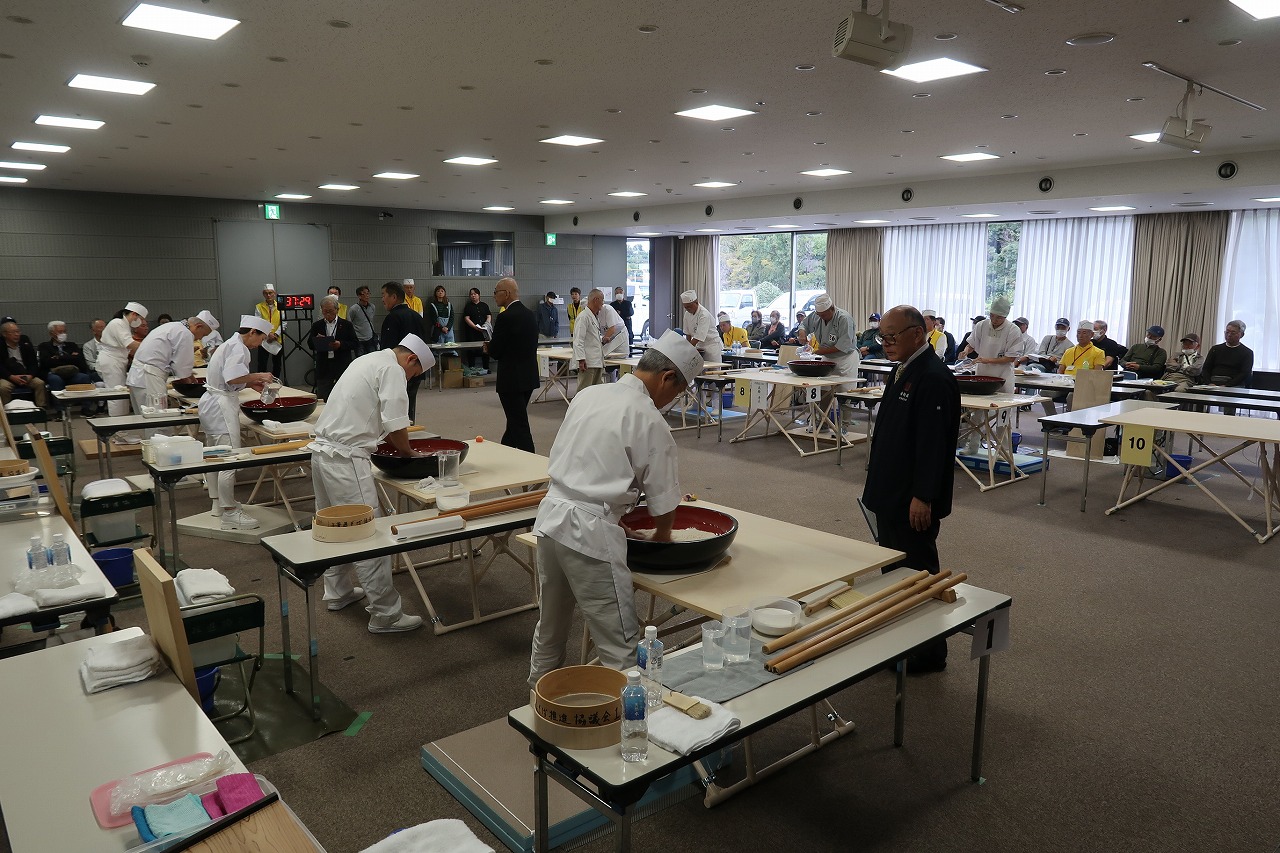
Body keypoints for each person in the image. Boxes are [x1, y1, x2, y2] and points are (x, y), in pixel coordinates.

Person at [527, 331, 704, 688]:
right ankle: (629, 717)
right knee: (619, 645)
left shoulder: (589, 394)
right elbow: (664, 502)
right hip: (590, 535)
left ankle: (538, 702)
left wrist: (615, 514)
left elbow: (587, 463)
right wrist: (663, 536)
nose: (672, 401)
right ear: (667, 377)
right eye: (677, 392)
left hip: (550, 518)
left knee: (550, 626)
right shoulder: (649, 418)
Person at [307, 334, 435, 634]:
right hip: (346, 459)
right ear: (411, 359)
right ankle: (385, 614)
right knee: (368, 534)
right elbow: (396, 421)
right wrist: (410, 454)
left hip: (322, 453)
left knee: (333, 528)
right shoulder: (392, 369)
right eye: (414, 373)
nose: (410, 378)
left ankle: (337, 591)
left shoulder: (369, 359)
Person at [861, 306, 960, 673]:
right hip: (891, 492)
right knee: (896, 573)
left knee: (917, 574)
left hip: (912, 499)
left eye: (891, 337)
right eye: (881, 337)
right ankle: (903, 641)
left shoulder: (932, 377)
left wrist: (924, 496)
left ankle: (930, 653)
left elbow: (934, 446)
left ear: (917, 334)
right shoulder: (902, 369)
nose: (885, 343)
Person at [199, 316, 275, 529]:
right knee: (229, 458)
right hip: (220, 406)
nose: (260, 344)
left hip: (211, 403)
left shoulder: (229, 344)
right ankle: (230, 512)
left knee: (214, 456)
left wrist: (251, 383)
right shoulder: (238, 348)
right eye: (261, 339)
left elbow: (230, 379)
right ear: (252, 332)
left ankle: (218, 504)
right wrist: (259, 375)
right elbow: (232, 378)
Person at [127, 311, 215, 436]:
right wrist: (191, 381)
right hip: (149, 377)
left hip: (139, 376)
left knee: (147, 419)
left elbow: (178, 363)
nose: (200, 339)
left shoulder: (173, 326)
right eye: (203, 334)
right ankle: (158, 448)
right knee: (157, 420)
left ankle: (151, 447)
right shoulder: (184, 333)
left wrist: (187, 374)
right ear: (198, 326)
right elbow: (182, 366)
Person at [485, 277, 539, 453]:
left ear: (506, 293)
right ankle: (504, 454)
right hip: (528, 377)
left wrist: (488, 347)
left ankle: (532, 463)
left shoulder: (505, 317)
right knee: (514, 422)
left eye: (496, 292)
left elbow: (496, 351)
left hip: (511, 380)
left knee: (519, 425)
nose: (494, 296)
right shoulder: (530, 314)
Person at [379, 281, 429, 421]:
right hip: (416, 369)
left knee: (396, 409)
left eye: (384, 295)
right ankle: (410, 428)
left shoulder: (392, 318)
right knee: (409, 405)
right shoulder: (416, 316)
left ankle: (400, 431)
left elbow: (387, 349)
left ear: (394, 297)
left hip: (399, 371)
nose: (382, 299)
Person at [97, 301, 148, 432]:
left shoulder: (123, 325)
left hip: (117, 361)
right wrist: (151, 349)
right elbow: (130, 344)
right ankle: (118, 432)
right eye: (141, 319)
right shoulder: (117, 323)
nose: (141, 322)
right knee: (116, 397)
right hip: (111, 361)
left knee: (122, 396)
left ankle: (123, 430)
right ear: (134, 314)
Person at [957, 297, 1026, 393]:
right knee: (980, 400)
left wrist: (987, 360)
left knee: (1002, 401)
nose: (994, 320)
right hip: (981, 374)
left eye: (999, 317)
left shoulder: (1013, 330)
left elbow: (1010, 358)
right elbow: (971, 345)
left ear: (1005, 316)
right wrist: (966, 351)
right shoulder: (981, 325)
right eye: (992, 316)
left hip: (1002, 375)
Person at [307, 295, 359, 400]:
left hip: (341, 364)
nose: (328, 314)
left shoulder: (346, 325)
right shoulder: (317, 325)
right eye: (325, 311)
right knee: (323, 396)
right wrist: (317, 340)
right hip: (324, 365)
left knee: (343, 396)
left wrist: (341, 344)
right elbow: (310, 344)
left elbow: (355, 343)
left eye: (330, 311)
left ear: (337, 309)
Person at [801, 293, 860, 381]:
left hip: (845, 359)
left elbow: (843, 345)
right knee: (824, 386)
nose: (821, 317)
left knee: (844, 387)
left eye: (823, 315)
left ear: (832, 309)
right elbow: (804, 324)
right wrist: (802, 333)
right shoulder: (817, 316)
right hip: (827, 358)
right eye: (819, 314)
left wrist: (819, 351)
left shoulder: (844, 319)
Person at [37, 321, 93, 398]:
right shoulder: (44, 346)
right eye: (60, 332)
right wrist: (70, 357)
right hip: (54, 373)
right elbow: (46, 362)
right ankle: (61, 405)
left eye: (64, 331)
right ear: (51, 333)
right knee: (56, 380)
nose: (63, 334)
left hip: (72, 373)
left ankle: (84, 404)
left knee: (84, 377)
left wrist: (58, 358)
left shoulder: (72, 345)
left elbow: (79, 360)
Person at [0, 320, 48, 408]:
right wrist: (11, 377)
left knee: (40, 383)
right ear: (4, 334)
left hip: (26, 374)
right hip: (8, 376)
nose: (17, 334)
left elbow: (34, 363)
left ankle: (41, 409)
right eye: (13, 332)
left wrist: (30, 376)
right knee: (3, 387)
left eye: (18, 331)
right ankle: (6, 412)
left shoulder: (25, 343)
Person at [1201, 320, 1253, 388]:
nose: (1229, 335)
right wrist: (1209, 383)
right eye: (1227, 332)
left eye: (1233, 333)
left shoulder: (1247, 352)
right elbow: (1206, 369)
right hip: (1212, 383)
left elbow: (1244, 373)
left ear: (1241, 335)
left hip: (1233, 385)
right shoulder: (1215, 349)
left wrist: (1227, 385)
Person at [461, 286, 492, 374]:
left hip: (484, 331)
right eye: (471, 294)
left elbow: (488, 316)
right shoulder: (468, 306)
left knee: (485, 348)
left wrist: (486, 324)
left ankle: (486, 367)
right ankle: (472, 367)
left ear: (479, 295)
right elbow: (467, 318)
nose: (473, 296)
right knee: (471, 349)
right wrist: (475, 327)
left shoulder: (484, 305)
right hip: (472, 331)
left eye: (475, 294)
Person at [679, 290, 717, 361]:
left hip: (711, 346)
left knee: (713, 367)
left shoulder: (704, 314)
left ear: (696, 302)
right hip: (699, 346)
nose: (688, 309)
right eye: (686, 307)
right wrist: (687, 348)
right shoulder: (687, 314)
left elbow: (699, 336)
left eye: (689, 306)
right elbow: (688, 334)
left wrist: (688, 349)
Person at [254, 284, 283, 376]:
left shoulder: (281, 306)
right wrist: (268, 333)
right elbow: (258, 322)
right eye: (266, 293)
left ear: (274, 293)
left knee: (277, 364)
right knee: (262, 363)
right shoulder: (259, 307)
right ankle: (262, 382)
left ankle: (275, 381)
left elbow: (284, 323)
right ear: (263, 294)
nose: (268, 295)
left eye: (270, 293)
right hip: (263, 339)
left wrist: (276, 334)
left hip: (277, 339)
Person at [349, 285, 378, 355]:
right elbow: (350, 322)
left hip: (370, 337)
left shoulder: (372, 307)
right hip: (359, 339)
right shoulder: (354, 309)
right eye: (364, 294)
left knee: (372, 357)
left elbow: (370, 320)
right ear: (359, 296)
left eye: (368, 293)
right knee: (360, 358)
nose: (367, 295)